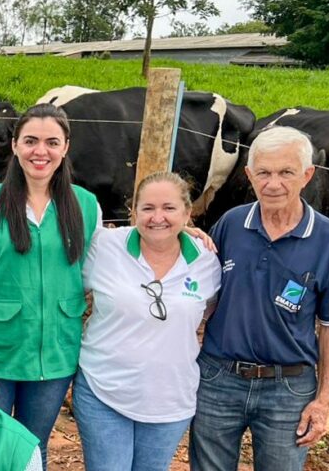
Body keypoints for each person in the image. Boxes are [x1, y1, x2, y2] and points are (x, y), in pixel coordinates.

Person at [190, 126, 329, 471]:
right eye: (263, 172)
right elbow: (200, 287)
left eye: (286, 172)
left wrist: (322, 400)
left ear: (308, 175)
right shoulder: (230, 224)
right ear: (249, 175)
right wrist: (174, 236)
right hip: (217, 378)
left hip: (288, 387)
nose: (273, 184)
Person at [0, 103, 99, 469]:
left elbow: (103, 269)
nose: (40, 151)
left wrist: (180, 235)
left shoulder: (85, 205)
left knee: (34, 446)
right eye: (30, 141)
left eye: (52, 142)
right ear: (15, 145)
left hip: (56, 354)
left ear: (65, 147)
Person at [73, 172, 222, 471]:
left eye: (169, 208)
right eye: (148, 208)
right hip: (104, 390)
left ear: (188, 213)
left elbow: (208, 312)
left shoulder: (206, 261)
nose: (158, 217)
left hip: (170, 400)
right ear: (133, 212)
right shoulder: (104, 247)